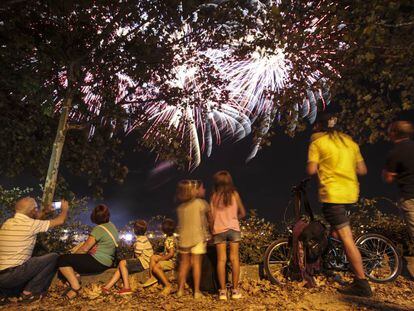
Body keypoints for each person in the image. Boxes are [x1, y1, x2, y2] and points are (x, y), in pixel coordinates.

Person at [306, 113, 372, 297]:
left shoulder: (318, 143)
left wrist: (323, 165)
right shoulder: (349, 142)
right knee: (336, 234)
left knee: (346, 239)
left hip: (333, 195)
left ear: (319, 126)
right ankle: (336, 263)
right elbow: (362, 169)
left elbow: (311, 169)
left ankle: (361, 283)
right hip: (351, 194)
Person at [0, 197, 69, 305]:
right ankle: (30, 293)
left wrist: (45, 212)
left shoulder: (7, 223)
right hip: (12, 275)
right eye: (36, 209)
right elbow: (60, 220)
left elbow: (35, 220)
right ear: (32, 211)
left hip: (2, 276)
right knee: (53, 257)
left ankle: (5, 294)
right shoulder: (31, 225)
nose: (38, 210)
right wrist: (64, 209)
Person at [57, 204, 119, 299]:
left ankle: (76, 288)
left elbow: (84, 249)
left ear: (94, 217)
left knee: (62, 259)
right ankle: (75, 277)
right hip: (108, 262)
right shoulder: (112, 226)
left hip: (98, 262)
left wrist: (72, 257)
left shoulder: (99, 229)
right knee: (72, 261)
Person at [210, 171, 246, 300]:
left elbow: (212, 217)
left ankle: (223, 292)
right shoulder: (234, 194)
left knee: (221, 260)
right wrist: (234, 219)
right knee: (235, 259)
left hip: (219, 230)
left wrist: (211, 231)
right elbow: (242, 212)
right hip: (233, 229)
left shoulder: (214, 197)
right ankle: (235, 291)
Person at [175, 180, 210, 299]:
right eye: (194, 188)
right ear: (191, 191)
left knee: (184, 265)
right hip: (197, 238)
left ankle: (180, 290)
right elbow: (209, 217)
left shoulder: (180, 208)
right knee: (196, 265)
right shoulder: (201, 203)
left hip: (184, 239)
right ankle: (196, 291)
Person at [102, 219, 153, 295]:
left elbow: (138, 253)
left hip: (144, 262)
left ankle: (126, 287)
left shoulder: (140, 240)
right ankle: (107, 287)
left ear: (134, 230)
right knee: (121, 266)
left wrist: (131, 259)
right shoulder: (143, 238)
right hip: (145, 261)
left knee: (122, 263)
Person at [383, 121, 414, 243]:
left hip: (409, 197)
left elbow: (388, 178)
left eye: (390, 131)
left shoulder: (395, 153)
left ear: (394, 133)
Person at [143, 218, 177, 296]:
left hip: (173, 262)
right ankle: (153, 279)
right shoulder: (171, 237)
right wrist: (162, 254)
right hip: (173, 260)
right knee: (153, 257)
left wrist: (161, 259)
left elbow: (171, 254)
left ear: (164, 229)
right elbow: (170, 252)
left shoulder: (169, 240)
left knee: (156, 267)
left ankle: (168, 285)